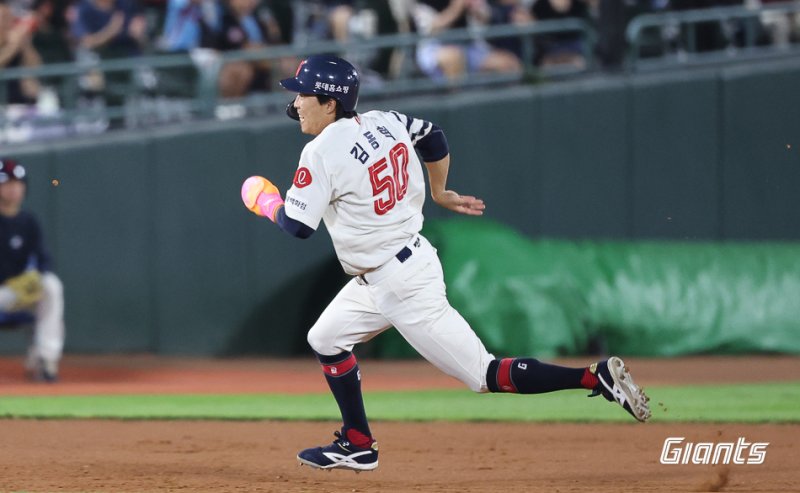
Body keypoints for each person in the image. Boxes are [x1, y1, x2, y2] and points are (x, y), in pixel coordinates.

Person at [240, 54, 651, 471]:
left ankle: (592, 376)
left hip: (400, 283)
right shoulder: (385, 120)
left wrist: (265, 202)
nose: (295, 105)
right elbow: (433, 136)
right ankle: (358, 442)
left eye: (303, 95)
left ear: (329, 103)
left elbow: (297, 226)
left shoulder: (321, 150)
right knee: (325, 338)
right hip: (390, 269)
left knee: (485, 375)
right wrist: (440, 190)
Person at [0, 158, 65, 382]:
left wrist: (35, 276)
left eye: (18, 183)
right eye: (7, 183)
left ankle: (44, 360)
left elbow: (44, 259)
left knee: (51, 286)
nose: (13, 188)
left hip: (19, 293)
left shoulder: (28, 221)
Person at [0, 0, 42, 105]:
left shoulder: (16, 38)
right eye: (4, 18)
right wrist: (13, 47)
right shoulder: (14, 43)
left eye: (9, 17)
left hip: (18, 99)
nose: (8, 22)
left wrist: (25, 44)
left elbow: (36, 65)